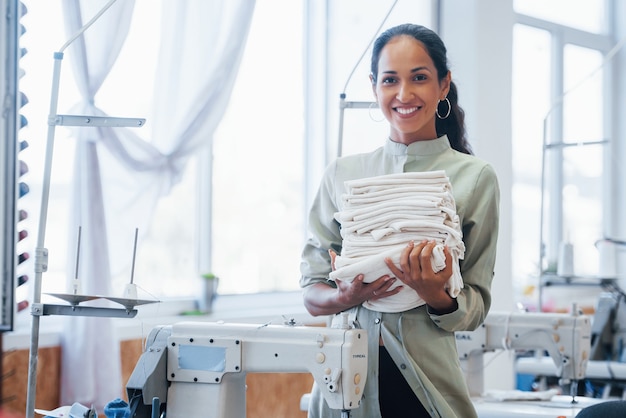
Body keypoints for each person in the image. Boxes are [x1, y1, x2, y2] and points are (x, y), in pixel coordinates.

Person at [299, 23, 500, 418]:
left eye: (420, 78)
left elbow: (475, 305)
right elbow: (311, 290)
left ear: (444, 85)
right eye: (390, 80)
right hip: (343, 388)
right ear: (374, 86)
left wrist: (436, 295)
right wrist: (344, 298)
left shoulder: (475, 178)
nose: (404, 94)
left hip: (426, 392)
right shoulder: (343, 175)